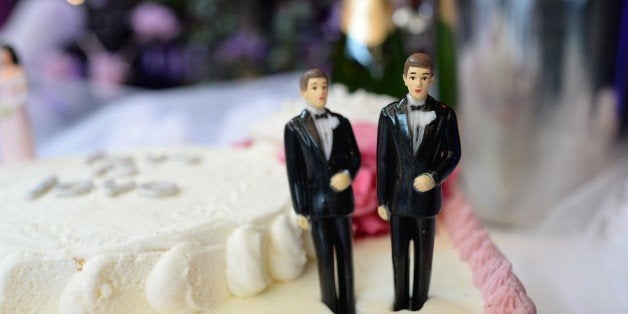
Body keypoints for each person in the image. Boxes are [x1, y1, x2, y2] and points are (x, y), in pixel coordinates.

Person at [376, 53, 461, 311]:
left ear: (432, 79)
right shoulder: (389, 114)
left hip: (426, 202)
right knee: (399, 255)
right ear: (404, 79)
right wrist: (382, 199)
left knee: (424, 258)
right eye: (413, 77)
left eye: (424, 78)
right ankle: (401, 302)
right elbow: (384, 161)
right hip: (398, 199)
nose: (418, 83)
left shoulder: (445, 115)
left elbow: (453, 154)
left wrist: (434, 176)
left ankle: (421, 303)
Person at [284, 69, 360, 314]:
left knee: (345, 256)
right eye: (314, 87)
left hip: (341, 202)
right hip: (315, 205)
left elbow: (354, 158)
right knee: (325, 258)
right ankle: (330, 303)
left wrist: (347, 174)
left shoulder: (342, 122)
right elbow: (295, 173)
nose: (321, 92)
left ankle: (348, 304)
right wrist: (301, 209)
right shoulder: (294, 128)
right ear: (304, 93)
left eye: (324, 86)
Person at [0, 43, 35, 164]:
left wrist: (12, 105)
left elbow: (23, 93)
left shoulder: (18, 70)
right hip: (4, 112)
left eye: (5, 55)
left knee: (20, 135)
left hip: (17, 110)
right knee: (7, 137)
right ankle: (11, 160)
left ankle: (26, 158)